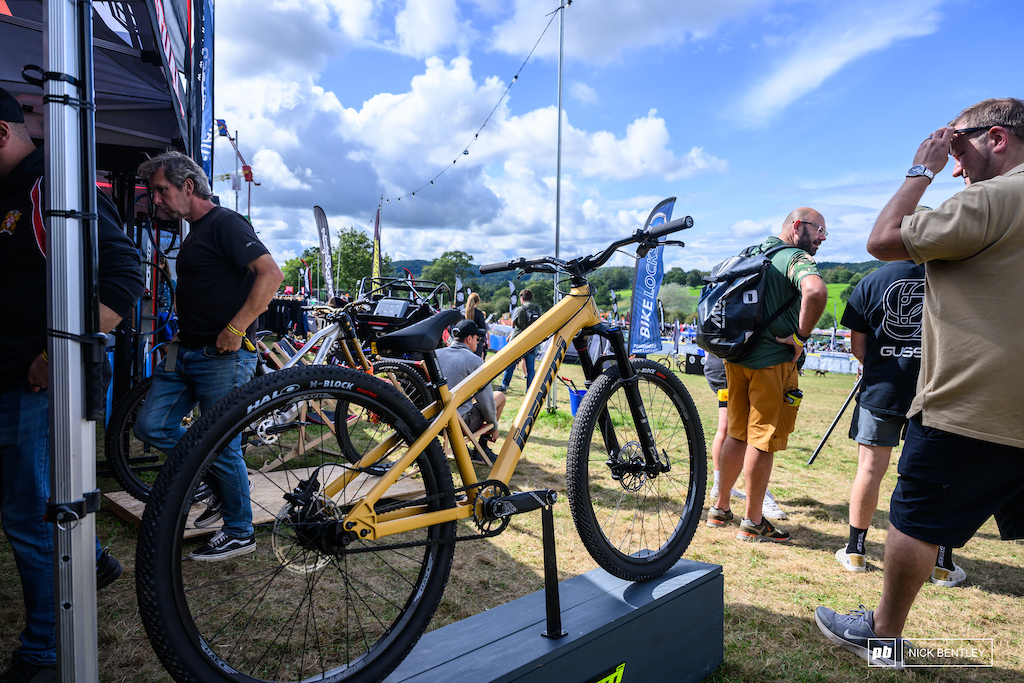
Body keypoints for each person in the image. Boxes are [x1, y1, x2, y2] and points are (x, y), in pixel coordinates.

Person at [816, 98, 1024, 668]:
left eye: (958, 146)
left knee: (913, 517)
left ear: (998, 138)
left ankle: (883, 635)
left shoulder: (996, 196)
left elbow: (883, 238)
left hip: (973, 402)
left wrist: (920, 169)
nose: (955, 165)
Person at [0, 87, 144, 682]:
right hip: (15, 374)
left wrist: (54, 356)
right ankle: (92, 559)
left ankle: (43, 648)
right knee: (28, 504)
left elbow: (125, 277)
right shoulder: (16, 190)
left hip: (35, 382)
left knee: (31, 513)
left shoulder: (54, 186)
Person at [134, 151, 283, 562]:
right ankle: (217, 483)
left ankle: (239, 531)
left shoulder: (226, 222)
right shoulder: (196, 230)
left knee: (222, 444)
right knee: (151, 426)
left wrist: (235, 330)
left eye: (161, 190)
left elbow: (272, 275)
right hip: (187, 350)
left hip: (223, 356)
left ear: (188, 186)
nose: (157, 199)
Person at [835, 257, 964, 586]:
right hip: (936, 390)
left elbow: (858, 346)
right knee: (941, 476)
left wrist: (887, 364)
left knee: (869, 469)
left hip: (883, 388)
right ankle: (942, 563)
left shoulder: (873, 279)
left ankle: (856, 551)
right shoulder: (955, 279)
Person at [706, 208, 828, 542]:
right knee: (762, 439)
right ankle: (753, 520)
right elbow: (815, 291)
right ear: (797, 226)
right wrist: (801, 337)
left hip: (737, 357)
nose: (822, 238)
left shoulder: (754, 252)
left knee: (736, 433)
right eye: (819, 230)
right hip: (772, 362)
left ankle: (719, 508)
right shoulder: (794, 257)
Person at [704, 352, 787, 521]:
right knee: (753, 430)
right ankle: (754, 505)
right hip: (749, 358)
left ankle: (722, 496)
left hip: (724, 359)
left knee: (732, 428)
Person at [437, 319, 506, 461]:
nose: (478, 342)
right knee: (499, 396)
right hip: (458, 423)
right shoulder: (474, 361)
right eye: (477, 338)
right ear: (469, 339)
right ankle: (482, 448)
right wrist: (494, 426)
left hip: (434, 420)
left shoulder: (437, 354)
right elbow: (487, 403)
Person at [497, 288, 541, 393]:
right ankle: (529, 390)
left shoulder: (519, 309)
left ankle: (505, 386)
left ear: (521, 298)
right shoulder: (538, 309)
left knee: (511, 365)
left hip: (518, 341)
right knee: (531, 368)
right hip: (532, 341)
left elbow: (513, 325)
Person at [462, 292, 489, 359]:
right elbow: (483, 330)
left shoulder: (462, 313)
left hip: (464, 342)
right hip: (476, 342)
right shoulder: (479, 314)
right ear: (477, 302)